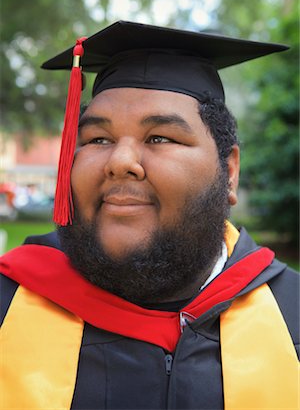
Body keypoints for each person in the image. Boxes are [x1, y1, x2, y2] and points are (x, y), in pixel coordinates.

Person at [0, 21, 298, 410]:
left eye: (160, 137)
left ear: (230, 171)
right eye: (98, 139)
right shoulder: (9, 304)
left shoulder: (291, 315)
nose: (120, 161)